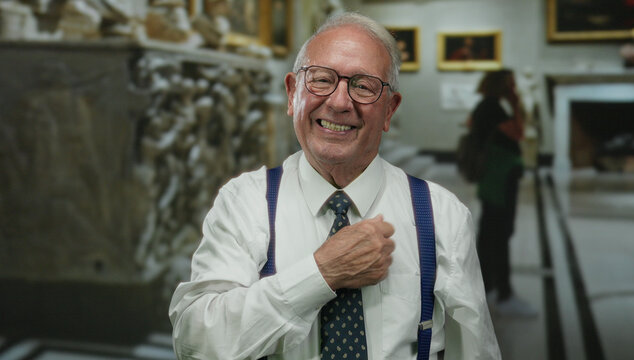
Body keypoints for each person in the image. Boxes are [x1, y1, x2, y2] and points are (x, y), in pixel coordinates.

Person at [169, 12, 500, 359]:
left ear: (389, 110)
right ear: (292, 93)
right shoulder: (244, 202)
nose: (340, 102)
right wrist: (321, 274)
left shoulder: (441, 215)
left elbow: (476, 352)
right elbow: (195, 342)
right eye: (321, 80)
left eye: (363, 86)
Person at [470, 69, 537, 317]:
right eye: (511, 84)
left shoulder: (485, 106)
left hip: (494, 177)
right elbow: (519, 131)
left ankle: (488, 289)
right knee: (499, 232)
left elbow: (472, 125)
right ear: (503, 85)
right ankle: (503, 294)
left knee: (490, 232)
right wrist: (516, 103)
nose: (514, 88)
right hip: (499, 178)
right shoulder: (494, 107)